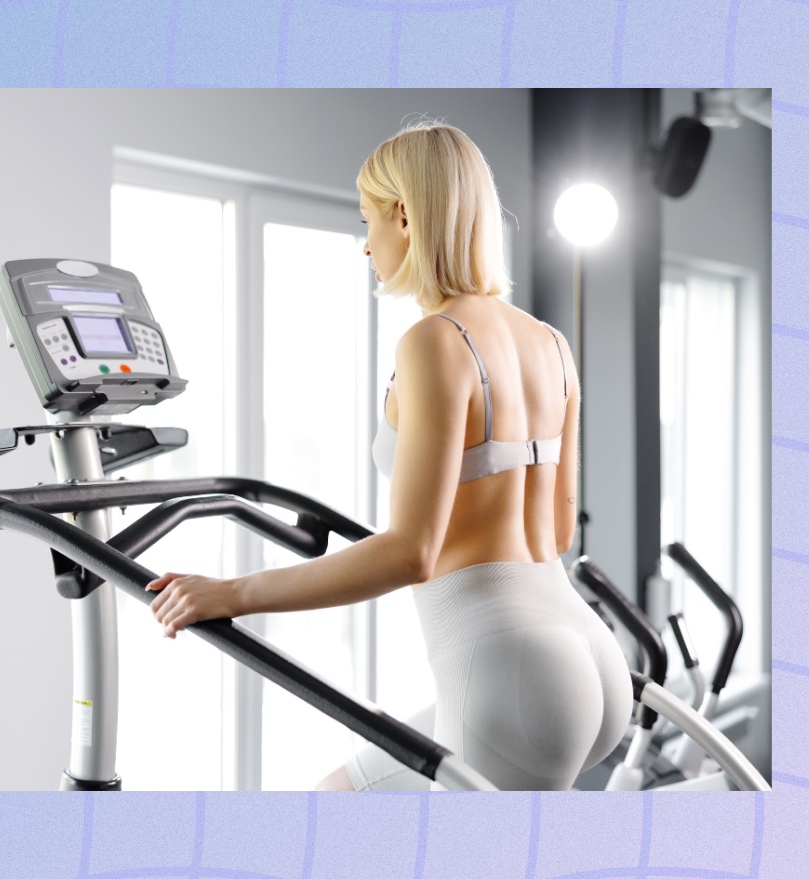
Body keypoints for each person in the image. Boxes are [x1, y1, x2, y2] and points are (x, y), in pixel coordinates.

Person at [146, 121, 632, 791]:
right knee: (336, 796)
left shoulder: (435, 341)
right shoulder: (549, 341)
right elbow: (555, 530)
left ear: (406, 215)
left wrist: (231, 593)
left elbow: (411, 552)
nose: (365, 243)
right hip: (584, 650)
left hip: (510, 669)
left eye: (369, 219)